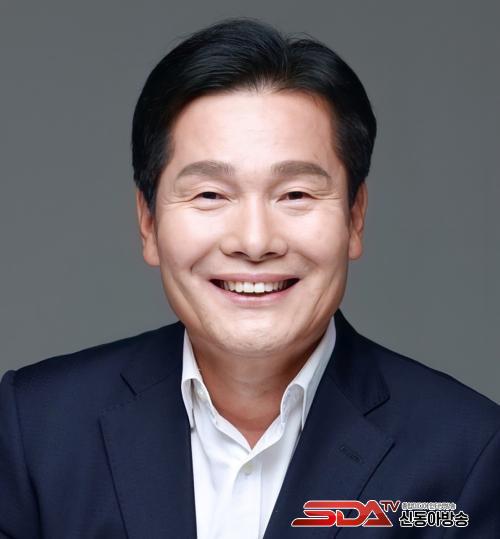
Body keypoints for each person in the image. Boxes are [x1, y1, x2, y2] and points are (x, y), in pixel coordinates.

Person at [1, 17, 499, 539]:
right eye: (210, 195)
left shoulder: (468, 455)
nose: (255, 241)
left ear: (355, 218)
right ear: (148, 223)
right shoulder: (36, 428)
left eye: (295, 194)